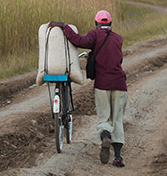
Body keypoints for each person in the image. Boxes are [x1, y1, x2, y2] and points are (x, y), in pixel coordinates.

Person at [49, 10, 127, 167]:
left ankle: (105, 137)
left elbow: (78, 41)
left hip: (103, 85)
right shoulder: (118, 39)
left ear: (96, 24)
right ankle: (118, 157)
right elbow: (114, 58)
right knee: (117, 119)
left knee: (104, 117)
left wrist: (65, 27)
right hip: (120, 84)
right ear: (110, 24)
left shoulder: (95, 35)